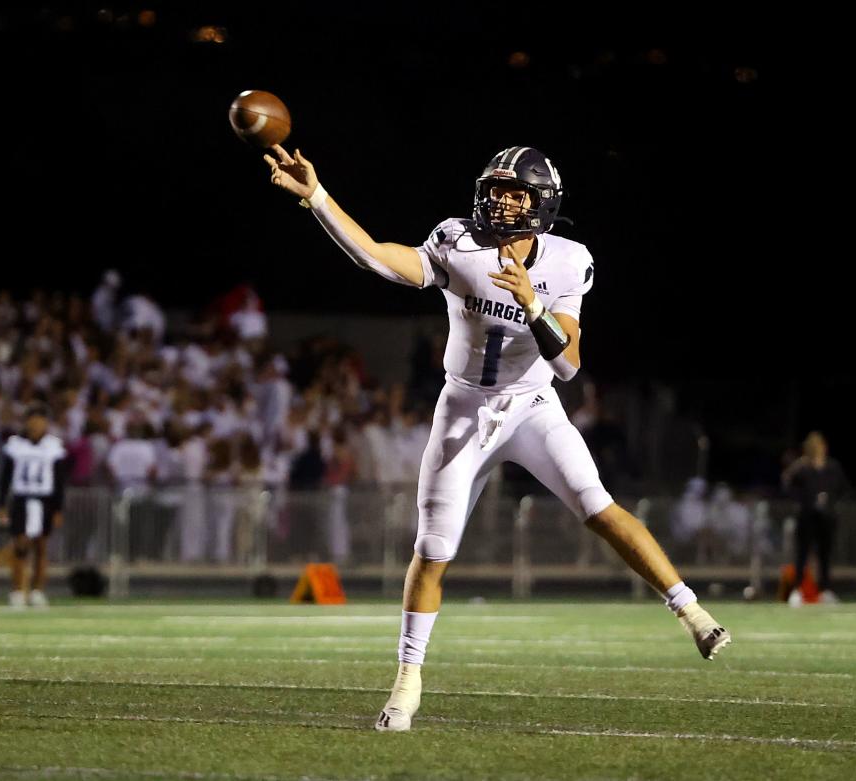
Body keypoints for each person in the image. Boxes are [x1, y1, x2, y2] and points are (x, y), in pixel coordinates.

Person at [263, 143, 731, 732]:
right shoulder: (458, 242)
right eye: (496, 189)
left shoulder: (567, 261)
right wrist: (317, 198)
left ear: (542, 202)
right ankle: (408, 680)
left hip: (533, 407)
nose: (502, 201)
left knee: (598, 505)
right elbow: (382, 260)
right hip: (463, 407)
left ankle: (691, 612)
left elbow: (567, 368)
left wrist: (533, 305)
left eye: (516, 193)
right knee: (434, 548)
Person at [0, 403, 68, 608]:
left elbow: (59, 480)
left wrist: (58, 508)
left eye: (40, 420)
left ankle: (37, 590)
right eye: (32, 420)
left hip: (44, 500)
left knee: (41, 547)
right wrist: (1, 502)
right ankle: (17, 590)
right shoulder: (15, 445)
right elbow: (5, 477)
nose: (36, 424)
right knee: (20, 546)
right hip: (22, 499)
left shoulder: (53, 446)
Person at [781, 431, 848, 606]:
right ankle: (796, 591)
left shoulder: (832, 466)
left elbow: (842, 487)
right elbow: (787, 483)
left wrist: (831, 502)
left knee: (825, 555)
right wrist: (803, 501)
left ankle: (825, 590)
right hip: (807, 516)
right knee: (802, 555)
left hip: (826, 517)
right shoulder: (802, 467)